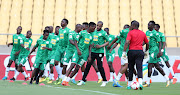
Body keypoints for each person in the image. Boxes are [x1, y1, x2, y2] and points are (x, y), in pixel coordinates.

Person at [62, 22, 95, 86]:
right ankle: (64, 80)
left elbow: (90, 47)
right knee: (72, 65)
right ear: (90, 27)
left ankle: (67, 81)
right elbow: (75, 41)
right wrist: (77, 49)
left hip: (85, 55)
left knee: (77, 68)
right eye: (94, 27)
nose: (94, 29)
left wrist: (89, 56)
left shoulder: (91, 36)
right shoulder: (82, 33)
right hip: (78, 52)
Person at [78, 21, 109, 87]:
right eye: (97, 25)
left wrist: (100, 46)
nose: (98, 27)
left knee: (100, 66)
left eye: (99, 26)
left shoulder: (103, 33)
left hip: (100, 52)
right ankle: (83, 80)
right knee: (88, 66)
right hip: (92, 51)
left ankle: (104, 80)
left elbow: (108, 42)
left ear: (102, 26)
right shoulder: (93, 32)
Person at [121, 20, 149, 90]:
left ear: (133, 26)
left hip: (132, 51)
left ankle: (129, 85)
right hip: (140, 51)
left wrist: (124, 51)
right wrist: (146, 51)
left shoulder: (130, 33)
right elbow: (147, 43)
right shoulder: (143, 33)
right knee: (139, 68)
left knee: (131, 68)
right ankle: (140, 84)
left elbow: (127, 42)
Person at [143, 21, 170, 87]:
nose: (148, 26)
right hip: (150, 50)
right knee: (157, 66)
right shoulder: (147, 32)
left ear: (153, 26)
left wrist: (160, 51)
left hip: (154, 51)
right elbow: (146, 41)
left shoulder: (156, 33)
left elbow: (160, 42)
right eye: (148, 25)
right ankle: (167, 79)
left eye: (149, 25)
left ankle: (148, 83)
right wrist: (144, 49)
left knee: (149, 65)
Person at [54, 19, 71, 85]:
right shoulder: (60, 30)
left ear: (66, 23)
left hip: (65, 48)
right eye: (61, 21)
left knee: (63, 64)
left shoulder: (68, 31)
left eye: (63, 22)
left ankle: (62, 78)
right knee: (56, 62)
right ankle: (60, 76)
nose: (61, 23)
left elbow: (69, 40)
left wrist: (67, 49)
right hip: (59, 48)